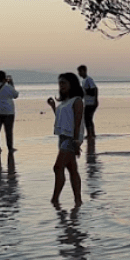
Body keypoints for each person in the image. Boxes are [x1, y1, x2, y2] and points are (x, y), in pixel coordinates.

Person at [46, 73, 85, 207]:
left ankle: (55, 199)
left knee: (58, 167)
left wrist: (76, 141)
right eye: (60, 83)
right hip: (62, 137)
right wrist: (53, 107)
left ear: (71, 84)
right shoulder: (64, 102)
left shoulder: (77, 100)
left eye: (64, 83)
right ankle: (78, 201)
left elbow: (78, 122)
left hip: (71, 138)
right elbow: (62, 119)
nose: (61, 86)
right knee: (72, 169)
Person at [0, 70, 19, 153]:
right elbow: (15, 95)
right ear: (4, 78)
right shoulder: (8, 87)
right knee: (8, 131)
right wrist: (11, 83)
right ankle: (10, 148)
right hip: (8, 112)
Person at [77, 65, 99, 139]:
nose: (79, 73)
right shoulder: (84, 81)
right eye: (78, 72)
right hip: (87, 102)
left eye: (80, 71)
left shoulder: (88, 79)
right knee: (88, 118)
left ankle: (90, 134)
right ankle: (91, 134)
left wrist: (95, 100)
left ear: (84, 71)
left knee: (87, 118)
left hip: (91, 102)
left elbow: (95, 89)